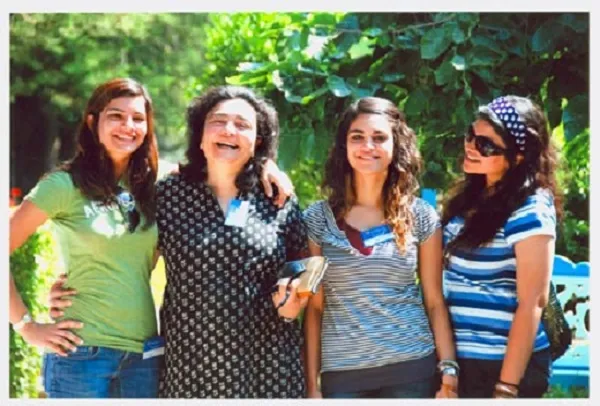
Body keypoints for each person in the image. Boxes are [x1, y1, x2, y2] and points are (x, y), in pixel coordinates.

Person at [11, 78, 293, 398]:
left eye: (137, 118)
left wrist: (268, 164)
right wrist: (27, 327)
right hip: (83, 354)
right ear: (92, 122)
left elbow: (222, 161)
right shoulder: (63, 185)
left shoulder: (158, 185)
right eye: (115, 116)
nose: (127, 126)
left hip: (145, 357)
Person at [155, 85, 308, 398]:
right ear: (200, 136)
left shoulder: (276, 197)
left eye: (243, 125)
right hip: (191, 366)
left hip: (268, 363)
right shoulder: (168, 194)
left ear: (257, 142)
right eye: (218, 121)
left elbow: (303, 263)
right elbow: (128, 258)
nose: (229, 130)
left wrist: (296, 299)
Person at [302, 97, 457, 399]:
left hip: (411, 368)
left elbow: (434, 300)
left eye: (379, 138)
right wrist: (311, 385)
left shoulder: (421, 216)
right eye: (357, 137)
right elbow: (315, 309)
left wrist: (449, 367)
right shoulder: (317, 219)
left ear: (395, 146)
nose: (367, 146)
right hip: (342, 374)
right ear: (344, 147)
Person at [441, 95, 561, 398]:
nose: (471, 146)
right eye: (471, 135)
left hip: (503, 365)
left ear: (519, 156)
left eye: (486, 145)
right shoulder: (470, 198)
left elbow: (533, 302)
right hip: (461, 363)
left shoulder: (530, 209)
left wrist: (506, 388)